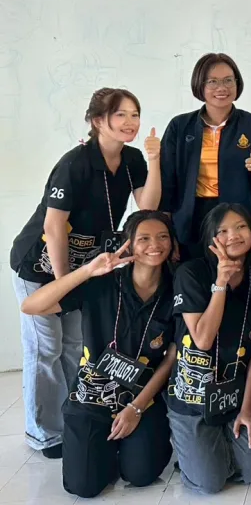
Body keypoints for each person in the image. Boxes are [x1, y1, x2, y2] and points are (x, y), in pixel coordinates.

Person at [10, 87, 161, 460]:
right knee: (46, 349)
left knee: (75, 347)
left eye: (134, 114)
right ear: (98, 121)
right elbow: (54, 227)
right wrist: (64, 283)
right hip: (41, 266)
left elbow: (148, 207)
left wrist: (155, 160)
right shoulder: (75, 163)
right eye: (120, 114)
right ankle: (44, 434)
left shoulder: (132, 159)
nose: (130, 122)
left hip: (85, 267)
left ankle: (70, 420)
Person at [20, 210, 177, 498]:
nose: (154, 245)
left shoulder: (177, 288)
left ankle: (125, 445)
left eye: (162, 237)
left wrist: (136, 408)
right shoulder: (102, 282)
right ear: (129, 243)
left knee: (141, 474)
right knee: (83, 487)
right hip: (91, 395)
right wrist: (86, 271)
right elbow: (31, 306)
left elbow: (170, 359)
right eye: (143, 238)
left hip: (142, 397)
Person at [167, 203, 251, 494]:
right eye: (223, 231)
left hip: (235, 395)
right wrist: (221, 283)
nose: (234, 235)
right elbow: (202, 340)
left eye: (241, 227)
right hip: (192, 396)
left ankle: (219, 445)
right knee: (209, 484)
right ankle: (192, 446)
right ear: (211, 237)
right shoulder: (191, 273)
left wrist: (249, 406)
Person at [160, 53, 251, 261]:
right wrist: (166, 230)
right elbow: (166, 181)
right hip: (190, 219)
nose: (221, 88)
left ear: (237, 83)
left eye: (228, 80)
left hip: (236, 221)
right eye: (212, 82)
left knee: (236, 275)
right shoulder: (180, 126)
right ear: (199, 85)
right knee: (192, 275)